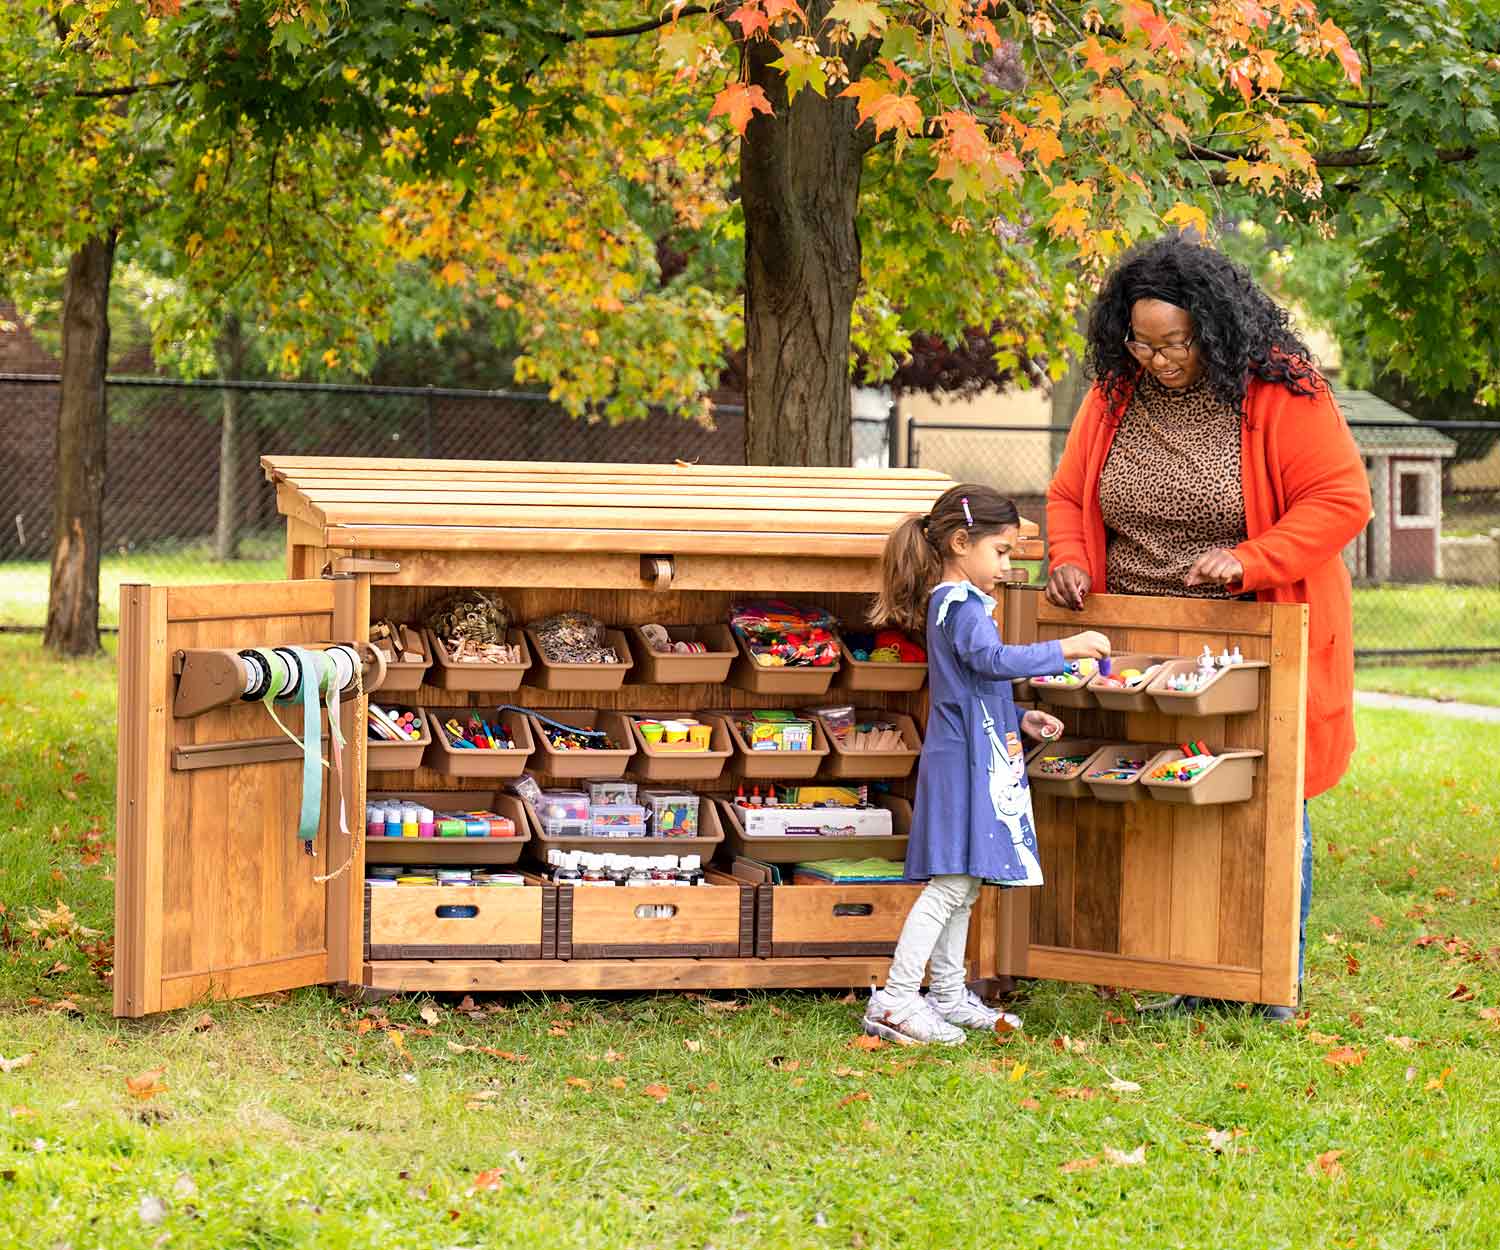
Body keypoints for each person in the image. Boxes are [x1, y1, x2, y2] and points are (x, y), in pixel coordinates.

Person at [1045, 234, 1372, 1018]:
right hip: (1138, 633)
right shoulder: (1115, 395)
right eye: (1143, 342)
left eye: (1176, 342)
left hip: (1253, 633)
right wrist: (1071, 559)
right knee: (1160, 800)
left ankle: (1265, 983)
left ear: (1215, 328)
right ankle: (1182, 971)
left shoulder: (1281, 391)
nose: (1159, 359)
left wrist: (1250, 558)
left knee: (1259, 799)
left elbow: (1339, 501)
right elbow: (1068, 497)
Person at [862, 484, 1111, 1045]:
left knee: (965, 884)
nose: (1007, 564)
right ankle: (899, 997)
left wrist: (1019, 717)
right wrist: (1066, 648)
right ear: (959, 543)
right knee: (950, 885)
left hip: (974, 752)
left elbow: (970, 685)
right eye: (1001, 552)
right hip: (962, 765)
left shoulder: (958, 603)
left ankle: (947, 995)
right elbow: (989, 660)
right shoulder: (960, 603)